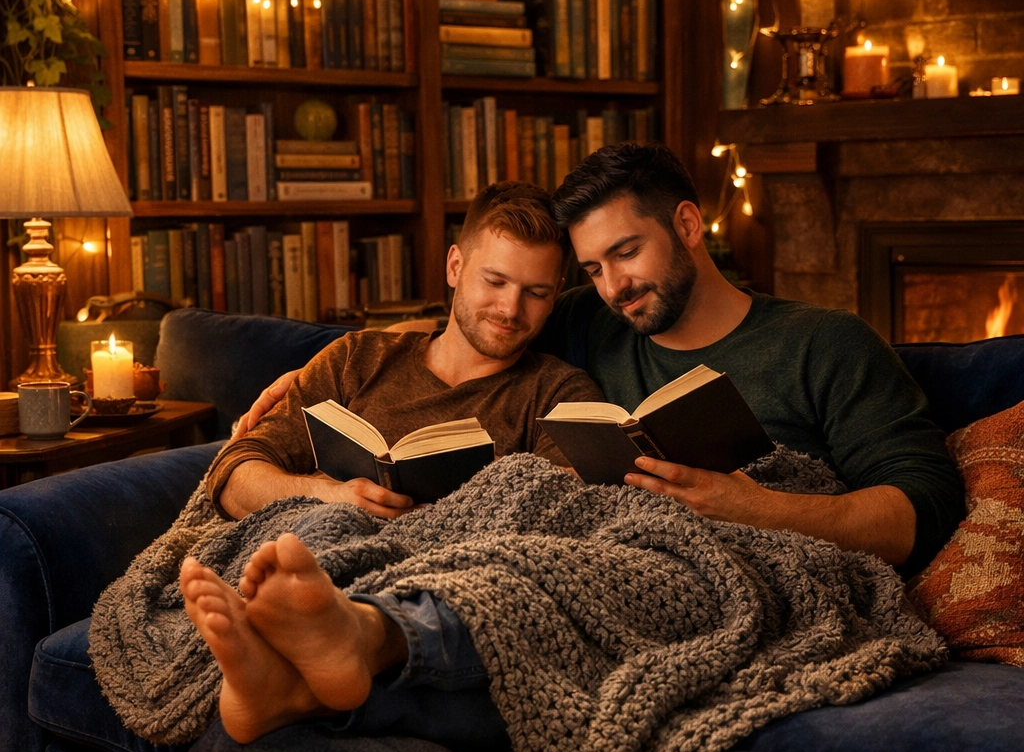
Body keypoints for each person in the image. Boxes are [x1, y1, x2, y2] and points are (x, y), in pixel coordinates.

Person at [236, 142, 963, 569]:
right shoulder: (594, 320)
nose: (614, 286)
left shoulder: (825, 344)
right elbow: (482, 322)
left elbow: (925, 508)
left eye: (626, 252)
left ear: (686, 225)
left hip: (759, 559)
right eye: (591, 270)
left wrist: (760, 508)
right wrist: (313, 364)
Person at [207, 179, 603, 522]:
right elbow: (232, 477)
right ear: (454, 266)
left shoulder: (559, 395)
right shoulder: (355, 358)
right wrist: (329, 497)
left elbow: (567, 515)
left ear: (555, 296)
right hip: (315, 541)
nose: (510, 310)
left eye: (535, 293)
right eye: (495, 282)